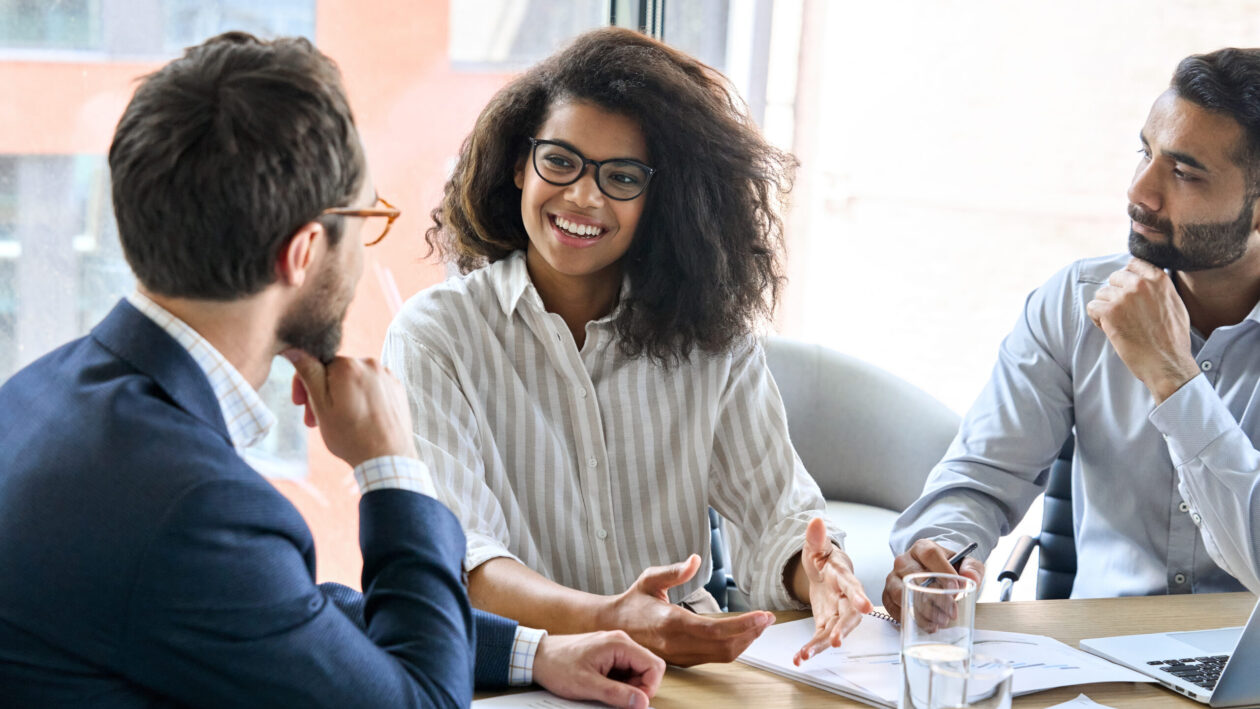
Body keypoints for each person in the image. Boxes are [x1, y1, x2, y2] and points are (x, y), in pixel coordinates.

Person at [0, 32, 664, 709]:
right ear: (304, 251)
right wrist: (391, 467)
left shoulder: (36, 396)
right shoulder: (192, 507)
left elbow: (283, 617)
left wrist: (535, 651)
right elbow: (421, 702)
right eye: (364, 217)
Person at [383, 27, 871, 669]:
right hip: (518, 672)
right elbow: (461, 558)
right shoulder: (435, 336)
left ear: (659, 200)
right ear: (517, 164)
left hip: (682, 672)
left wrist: (822, 572)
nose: (583, 196)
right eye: (559, 161)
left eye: (621, 177)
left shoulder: (712, 339)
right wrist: (613, 619)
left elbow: (779, 521)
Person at [884, 47, 1260, 620]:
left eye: (1184, 172)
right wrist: (939, 550)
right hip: (1101, 669)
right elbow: (982, 478)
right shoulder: (1075, 301)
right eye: (1146, 153)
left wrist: (1174, 381)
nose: (1140, 192)